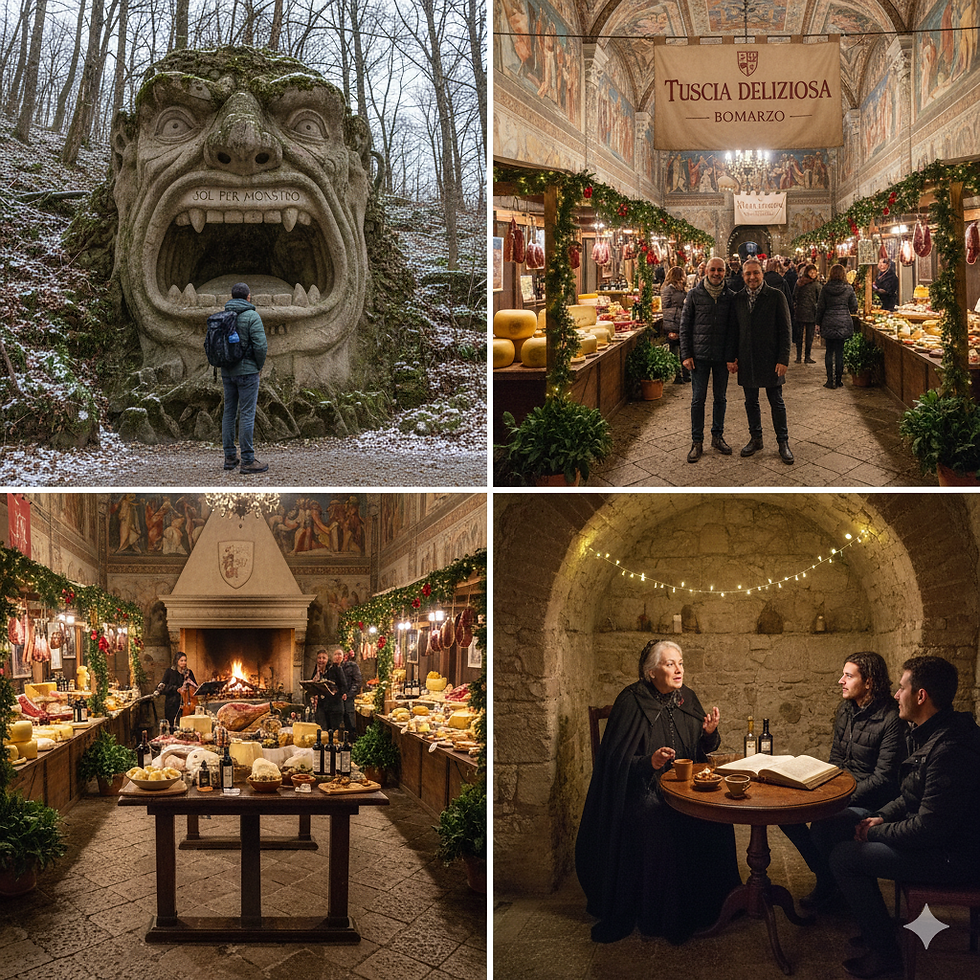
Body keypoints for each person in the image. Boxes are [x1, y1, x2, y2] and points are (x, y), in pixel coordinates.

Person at [575, 640, 741, 945]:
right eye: (669, 664)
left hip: (685, 785)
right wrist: (649, 762)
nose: (678, 670)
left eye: (680, 663)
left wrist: (709, 733)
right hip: (641, 789)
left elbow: (701, 750)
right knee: (661, 820)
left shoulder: (686, 698)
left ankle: (713, 905)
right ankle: (667, 914)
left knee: (717, 817)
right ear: (651, 671)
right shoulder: (631, 700)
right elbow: (614, 760)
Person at [829, 656, 980, 979]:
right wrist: (881, 818)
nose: (896, 695)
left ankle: (886, 954)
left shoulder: (950, 748)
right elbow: (910, 796)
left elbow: (928, 829)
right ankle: (876, 929)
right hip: (940, 842)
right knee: (845, 829)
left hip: (954, 857)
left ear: (920, 696)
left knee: (845, 857)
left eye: (901, 688)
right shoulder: (930, 732)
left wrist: (874, 834)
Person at [780, 652, 905, 910]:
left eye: (848, 676)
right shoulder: (846, 710)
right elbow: (836, 758)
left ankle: (829, 885)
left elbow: (883, 778)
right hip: (841, 791)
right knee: (785, 814)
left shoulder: (890, 718)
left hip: (872, 800)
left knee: (825, 825)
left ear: (868, 682)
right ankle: (829, 878)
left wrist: (839, 798)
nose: (841, 681)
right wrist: (821, 785)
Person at [727, 257, 794, 464]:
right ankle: (756, 438)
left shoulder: (776, 296)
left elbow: (785, 330)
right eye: (748, 274)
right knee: (750, 401)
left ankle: (783, 442)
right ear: (743, 276)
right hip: (748, 358)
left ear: (762, 274)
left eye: (756, 273)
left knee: (776, 401)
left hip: (771, 358)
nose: (752, 277)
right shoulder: (737, 299)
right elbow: (733, 331)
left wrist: (783, 359)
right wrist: (731, 358)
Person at [680, 257, 737, 462]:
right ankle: (697, 441)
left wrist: (731, 357)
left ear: (725, 272)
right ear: (706, 271)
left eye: (720, 270)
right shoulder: (694, 295)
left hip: (721, 357)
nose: (716, 273)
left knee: (720, 398)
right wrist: (686, 354)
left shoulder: (730, 296)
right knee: (698, 399)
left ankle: (717, 436)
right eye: (713, 269)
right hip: (699, 357)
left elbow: (733, 330)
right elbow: (685, 326)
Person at [221, 282, 269, 474]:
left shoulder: (223, 316)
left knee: (229, 413)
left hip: (227, 372)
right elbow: (260, 345)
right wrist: (258, 366)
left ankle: (230, 457)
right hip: (248, 372)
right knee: (247, 413)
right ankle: (248, 460)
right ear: (248, 297)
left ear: (232, 297)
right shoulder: (252, 316)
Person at [815, 263, 858, 389]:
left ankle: (830, 380)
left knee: (829, 352)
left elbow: (820, 307)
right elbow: (854, 307)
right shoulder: (848, 288)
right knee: (840, 352)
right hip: (843, 322)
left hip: (828, 321)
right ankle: (838, 380)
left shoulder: (825, 288)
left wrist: (818, 323)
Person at [661, 266, 689, 383]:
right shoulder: (669, 289)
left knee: (684, 349)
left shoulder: (682, 289)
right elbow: (665, 308)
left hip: (682, 321)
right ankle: (677, 375)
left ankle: (686, 373)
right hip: (673, 322)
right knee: (674, 349)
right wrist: (670, 327)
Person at [155, 652, 197, 731]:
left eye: (185, 660)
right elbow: (162, 687)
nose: (184, 663)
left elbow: (195, 686)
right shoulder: (170, 672)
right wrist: (176, 689)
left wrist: (189, 683)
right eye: (181, 661)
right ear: (176, 661)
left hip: (186, 704)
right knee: (172, 727)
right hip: (172, 704)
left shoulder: (189, 672)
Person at [309, 647, 348, 732]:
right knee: (322, 732)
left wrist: (334, 693)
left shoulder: (335, 668)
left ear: (327, 659)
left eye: (324, 658)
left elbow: (344, 686)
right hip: (322, 707)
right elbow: (313, 683)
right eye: (319, 658)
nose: (321, 660)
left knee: (333, 734)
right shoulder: (317, 671)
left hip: (335, 707)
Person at [793, 263, 821, 364]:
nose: (813, 274)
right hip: (808, 312)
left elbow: (794, 295)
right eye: (811, 272)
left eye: (814, 272)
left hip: (803, 312)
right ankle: (804, 357)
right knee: (805, 336)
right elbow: (820, 298)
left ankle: (801, 357)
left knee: (803, 336)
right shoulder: (813, 284)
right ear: (807, 272)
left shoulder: (800, 282)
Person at [340, 648, 363, 736]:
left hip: (348, 699)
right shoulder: (335, 667)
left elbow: (358, 682)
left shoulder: (352, 666)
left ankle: (351, 739)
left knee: (349, 722)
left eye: (340, 654)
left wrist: (349, 694)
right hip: (338, 701)